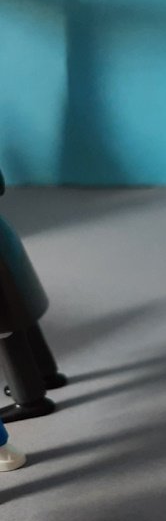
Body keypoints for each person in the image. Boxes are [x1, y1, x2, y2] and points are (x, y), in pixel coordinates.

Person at [0, 167, 67, 423]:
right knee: (24, 319)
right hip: (6, 246)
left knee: (8, 334)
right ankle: (46, 374)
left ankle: (29, 398)